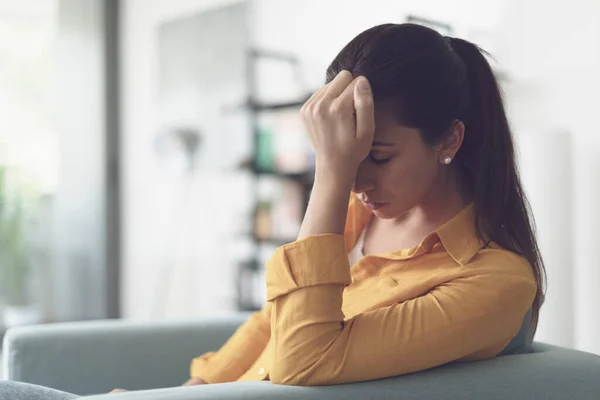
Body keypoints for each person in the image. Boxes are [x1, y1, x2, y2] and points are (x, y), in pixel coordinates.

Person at [0, 22, 545, 398]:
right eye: (345, 155)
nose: (357, 181)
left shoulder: (496, 282)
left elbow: (304, 358)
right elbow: (274, 321)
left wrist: (329, 174)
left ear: (449, 140)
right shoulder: (371, 215)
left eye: (376, 156)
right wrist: (186, 393)